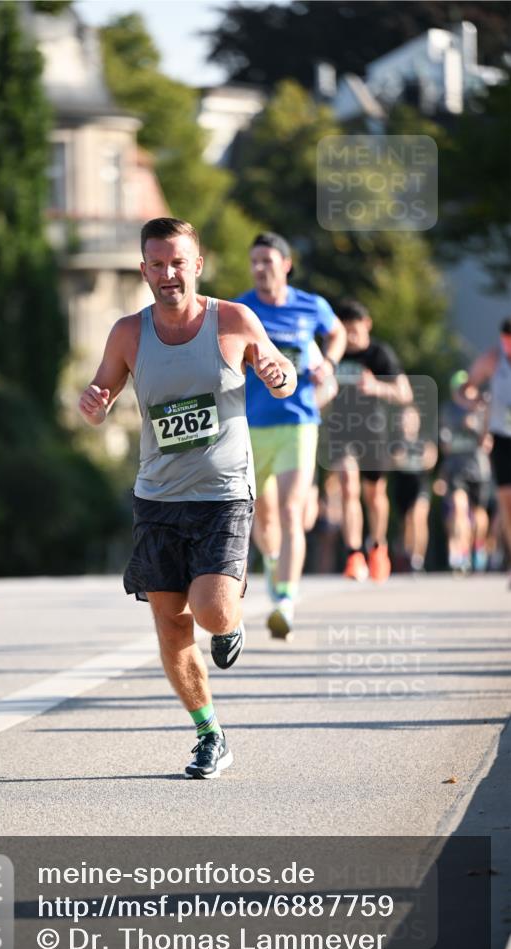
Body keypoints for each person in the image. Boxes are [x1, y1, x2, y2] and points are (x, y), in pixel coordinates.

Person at [78, 218, 297, 779]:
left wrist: (278, 374)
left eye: (178, 262)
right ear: (143, 269)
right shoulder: (129, 332)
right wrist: (95, 403)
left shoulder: (232, 320)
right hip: (156, 498)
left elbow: (283, 372)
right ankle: (210, 734)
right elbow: (104, 389)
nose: (167, 273)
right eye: (157, 263)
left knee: (210, 610)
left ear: (197, 264)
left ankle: (230, 622)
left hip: (223, 494)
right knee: (172, 627)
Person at [236, 233, 346, 640]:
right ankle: (275, 562)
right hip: (252, 424)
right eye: (254, 261)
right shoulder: (242, 308)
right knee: (262, 520)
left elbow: (337, 333)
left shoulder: (310, 306)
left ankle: (285, 601)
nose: (260, 268)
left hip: (299, 420)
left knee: (291, 509)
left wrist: (329, 364)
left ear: (286, 263)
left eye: (267, 259)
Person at [326, 299, 413, 583]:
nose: (350, 337)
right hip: (341, 430)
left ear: (367, 325)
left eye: (355, 330)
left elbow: (405, 393)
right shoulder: (332, 354)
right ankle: (354, 555)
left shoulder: (379, 354)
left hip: (372, 431)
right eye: (345, 330)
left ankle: (378, 547)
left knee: (374, 495)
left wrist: (376, 386)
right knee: (348, 486)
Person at [457, 317, 511, 579]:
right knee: (506, 502)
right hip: (502, 437)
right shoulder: (493, 359)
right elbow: (463, 389)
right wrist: (476, 400)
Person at [437, 370, 492, 573]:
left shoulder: (482, 409)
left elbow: (487, 442)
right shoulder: (448, 410)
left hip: (478, 467)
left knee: (478, 513)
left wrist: (477, 428)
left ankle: (477, 546)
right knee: (459, 508)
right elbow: (445, 444)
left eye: (467, 389)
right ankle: (461, 552)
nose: (464, 393)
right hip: (455, 467)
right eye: (460, 390)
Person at [390, 404, 438, 572]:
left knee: (418, 516)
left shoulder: (425, 441)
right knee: (407, 522)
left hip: (421, 485)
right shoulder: (395, 442)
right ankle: (408, 554)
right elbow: (394, 461)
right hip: (403, 487)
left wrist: (419, 459)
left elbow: (431, 460)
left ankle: (418, 558)